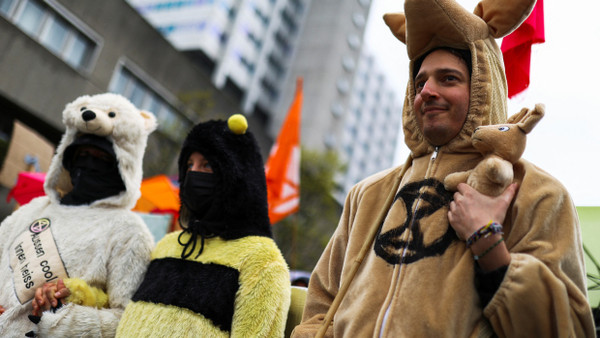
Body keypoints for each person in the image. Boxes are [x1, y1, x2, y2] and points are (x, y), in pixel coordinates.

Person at [292, 0, 595, 336]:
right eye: (420, 83)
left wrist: (487, 241)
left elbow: (568, 328)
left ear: (483, 87)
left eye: (448, 79)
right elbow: (320, 305)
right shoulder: (366, 195)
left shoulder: (538, 193)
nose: (428, 92)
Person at [116, 115, 291, 337]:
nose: (193, 173)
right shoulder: (168, 244)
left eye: (207, 164)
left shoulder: (262, 260)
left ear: (237, 175)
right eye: (189, 165)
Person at [0, 93, 156, 337]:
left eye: (101, 158)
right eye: (82, 155)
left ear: (122, 166)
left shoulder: (130, 232)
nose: (89, 164)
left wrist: (56, 321)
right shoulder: (35, 208)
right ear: (67, 159)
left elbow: (127, 321)